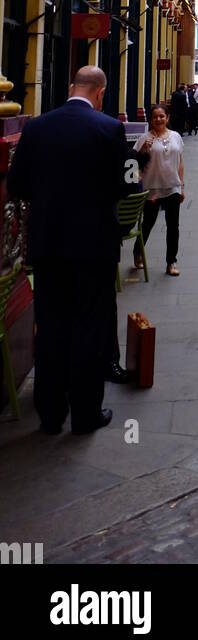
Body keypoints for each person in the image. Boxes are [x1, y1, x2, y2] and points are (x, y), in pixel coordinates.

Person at [6, 66, 127, 435]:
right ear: (101, 93)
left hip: (48, 246)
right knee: (89, 328)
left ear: (71, 86)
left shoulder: (37, 128)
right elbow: (126, 184)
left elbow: (16, 185)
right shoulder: (109, 129)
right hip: (94, 248)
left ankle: (51, 413)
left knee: (52, 327)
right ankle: (86, 413)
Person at [133, 104, 185, 274]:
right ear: (151, 119)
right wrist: (143, 149)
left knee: (173, 227)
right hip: (152, 189)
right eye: (155, 117)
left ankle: (171, 262)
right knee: (147, 224)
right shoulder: (144, 138)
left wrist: (182, 186)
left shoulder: (176, 136)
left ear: (167, 117)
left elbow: (180, 162)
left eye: (162, 116)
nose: (159, 119)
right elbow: (133, 166)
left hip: (173, 188)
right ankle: (137, 251)